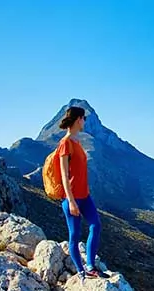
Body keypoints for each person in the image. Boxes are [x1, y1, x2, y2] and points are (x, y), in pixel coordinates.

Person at [56, 106, 109, 279]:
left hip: (85, 195)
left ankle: (91, 266)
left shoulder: (77, 142)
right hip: (72, 198)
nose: (85, 122)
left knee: (96, 225)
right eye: (84, 119)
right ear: (79, 119)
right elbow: (64, 175)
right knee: (75, 235)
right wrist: (71, 201)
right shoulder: (65, 144)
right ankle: (81, 271)